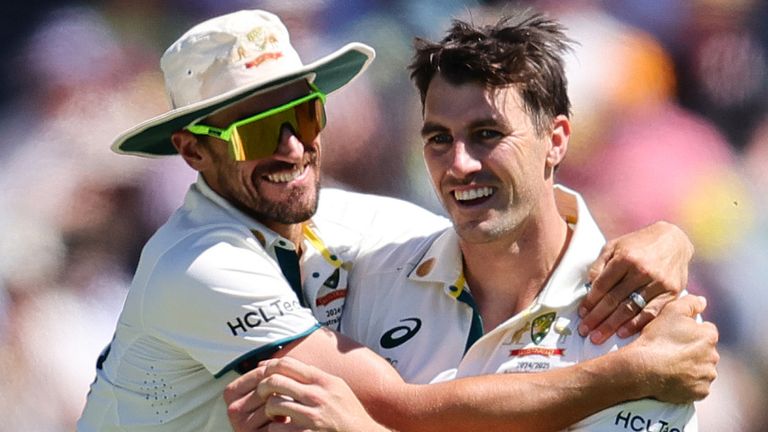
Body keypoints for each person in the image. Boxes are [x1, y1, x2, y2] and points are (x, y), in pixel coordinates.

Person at [76, 9, 716, 432]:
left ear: (559, 139)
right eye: (256, 132)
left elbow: (515, 215)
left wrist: (669, 237)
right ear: (192, 151)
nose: (293, 149)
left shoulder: (357, 228)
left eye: (303, 115)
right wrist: (622, 375)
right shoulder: (198, 264)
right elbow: (396, 410)